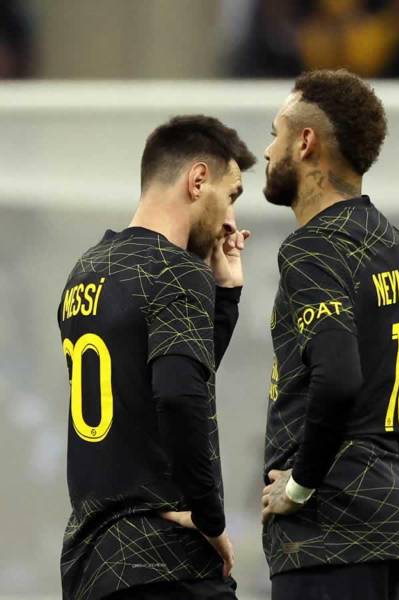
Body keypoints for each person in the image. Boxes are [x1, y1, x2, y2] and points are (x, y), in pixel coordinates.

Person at [259, 69, 399, 600]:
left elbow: (336, 376)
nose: (266, 151)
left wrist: (300, 485)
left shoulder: (311, 249)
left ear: (305, 143)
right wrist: (393, 455)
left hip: (329, 531)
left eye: (274, 133)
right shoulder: (385, 239)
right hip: (384, 522)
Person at [57, 115, 256, 599]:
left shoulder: (85, 272)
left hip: (93, 565)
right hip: (166, 560)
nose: (231, 220)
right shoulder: (174, 269)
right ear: (198, 179)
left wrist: (224, 299)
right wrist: (210, 518)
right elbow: (180, 395)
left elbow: (171, 377)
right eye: (231, 196)